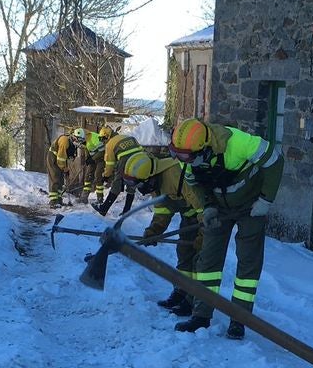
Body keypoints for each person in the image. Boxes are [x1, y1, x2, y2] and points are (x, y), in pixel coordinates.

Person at [168, 117, 282, 341]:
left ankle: (239, 320)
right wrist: (208, 207)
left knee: (248, 264)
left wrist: (266, 200)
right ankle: (201, 315)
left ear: (205, 148)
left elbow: (275, 160)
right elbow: (194, 183)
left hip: (251, 206)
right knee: (208, 261)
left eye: (187, 157)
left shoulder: (238, 143)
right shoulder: (185, 154)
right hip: (219, 206)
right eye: (179, 156)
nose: (184, 161)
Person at [120, 150, 202, 316]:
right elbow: (163, 209)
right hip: (190, 216)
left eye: (139, 185)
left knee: (199, 259)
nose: (139, 190)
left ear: (149, 178)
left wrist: (204, 235)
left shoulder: (177, 174)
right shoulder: (155, 180)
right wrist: (154, 231)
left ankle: (193, 300)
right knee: (184, 253)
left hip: (205, 217)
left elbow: (203, 207)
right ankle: (181, 291)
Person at [93, 131, 143, 216]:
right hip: (140, 158)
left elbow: (109, 165)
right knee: (132, 183)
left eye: (102, 139)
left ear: (106, 137)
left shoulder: (109, 144)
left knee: (117, 184)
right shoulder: (126, 136)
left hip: (125, 159)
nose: (102, 142)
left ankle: (103, 209)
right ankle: (127, 211)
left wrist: (106, 176)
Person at [46, 127, 86, 209]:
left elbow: (66, 157)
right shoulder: (64, 141)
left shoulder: (72, 143)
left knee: (61, 179)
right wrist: (64, 168)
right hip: (53, 157)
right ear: (74, 137)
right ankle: (53, 201)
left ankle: (59, 200)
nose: (79, 143)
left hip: (61, 159)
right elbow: (60, 158)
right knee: (55, 178)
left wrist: (65, 168)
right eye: (79, 140)